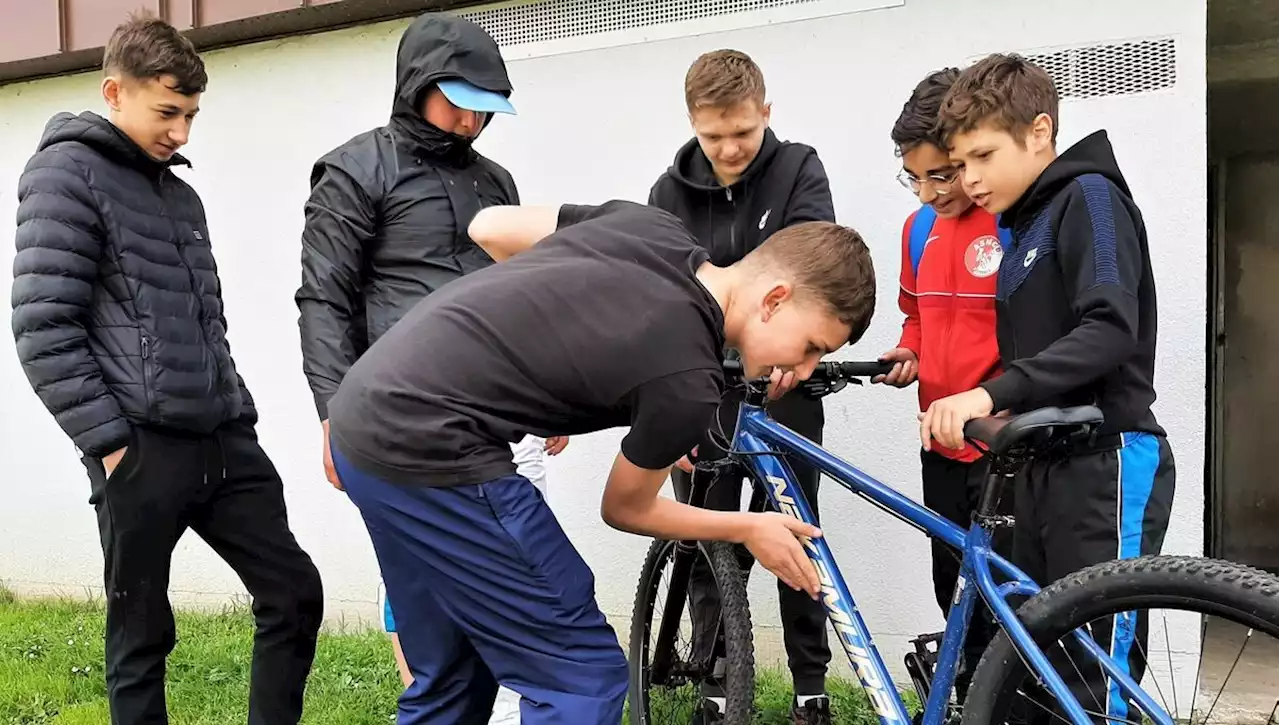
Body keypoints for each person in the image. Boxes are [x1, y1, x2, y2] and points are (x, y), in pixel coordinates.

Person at [325, 199, 877, 724]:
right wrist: (747, 527)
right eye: (811, 346)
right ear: (775, 299)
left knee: (453, 672)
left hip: (365, 415)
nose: (805, 370)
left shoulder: (651, 228)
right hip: (434, 451)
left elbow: (489, 227)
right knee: (580, 674)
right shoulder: (687, 382)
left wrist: (527, 357)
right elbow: (624, 509)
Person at [10, 15, 323, 725]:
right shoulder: (65, 173)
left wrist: (235, 408)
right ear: (114, 92)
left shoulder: (180, 196)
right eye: (167, 111)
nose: (182, 132)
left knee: (295, 591)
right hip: (140, 449)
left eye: (191, 115)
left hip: (223, 439)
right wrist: (115, 447)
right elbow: (42, 325)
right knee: (141, 637)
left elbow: (206, 323)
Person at [292, 13, 563, 724]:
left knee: (515, 607)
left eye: (485, 106)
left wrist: (550, 397)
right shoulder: (355, 169)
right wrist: (332, 409)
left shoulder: (495, 180)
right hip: (399, 430)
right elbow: (324, 299)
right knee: (437, 637)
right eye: (459, 99)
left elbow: (520, 297)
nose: (473, 119)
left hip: (492, 427)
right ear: (417, 85)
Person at [925, 53, 1176, 722]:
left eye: (982, 155)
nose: (969, 179)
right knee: (1035, 672)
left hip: (1106, 461)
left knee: (1093, 683)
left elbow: (1109, 328)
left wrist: (986, 393)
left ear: (1039, 132)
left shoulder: (1090, 196)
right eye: (960, 162)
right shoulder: (1027, 222)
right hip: (1044, 465)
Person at [647, 48, 836, 725]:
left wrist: (792, 351)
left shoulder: (799, 169)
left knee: (796, 533)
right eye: (713, 135)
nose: (729, 148)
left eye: (743, 133)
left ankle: (810, 688)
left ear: (766, 112)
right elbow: (658, 303)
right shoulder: (667, 195)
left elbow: (814, 264)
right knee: (708, 540)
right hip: (703, 389)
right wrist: (661, 410)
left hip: (786, 387)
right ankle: (718, 681)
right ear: (693, 123)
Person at [875, 67, 1013, 703]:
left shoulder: (1009, 222)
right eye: (917, 177)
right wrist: (910, 351)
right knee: (951, 582)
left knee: (1006, 594)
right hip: (939, 438)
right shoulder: (918, 229)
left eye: (943, 173)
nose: (931, 192)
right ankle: (964, 700)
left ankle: (1007, 704)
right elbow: (918, 317)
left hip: (1002, 441)